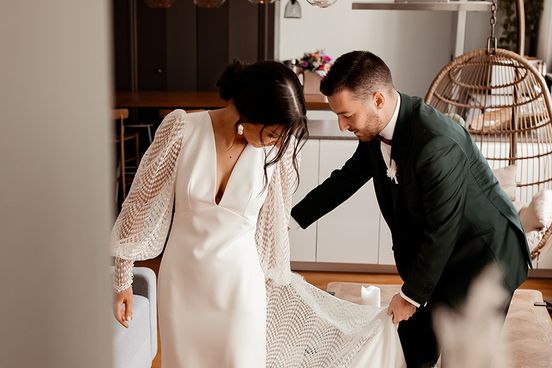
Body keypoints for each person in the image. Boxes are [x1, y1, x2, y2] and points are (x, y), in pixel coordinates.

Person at [111, 60, 406, 367]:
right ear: (247, 116)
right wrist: (123, 281)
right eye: (272, 134)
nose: (277, 143)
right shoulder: (182, 128)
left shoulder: (281, 150)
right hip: (181, 286)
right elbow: (139, 206)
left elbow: (273, 223)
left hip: (241, 288)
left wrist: (274, 287)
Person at [290, 51, 531, 368]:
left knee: (464, 360)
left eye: (347, 115)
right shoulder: (376, 130)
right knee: (412, 349)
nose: (342, 125)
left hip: (482, 258)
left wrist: (411, 296)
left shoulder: (435, 144)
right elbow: (345, 180)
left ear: (378, 100)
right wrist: (290, 220)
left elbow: (441, 230)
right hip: (437, 257)